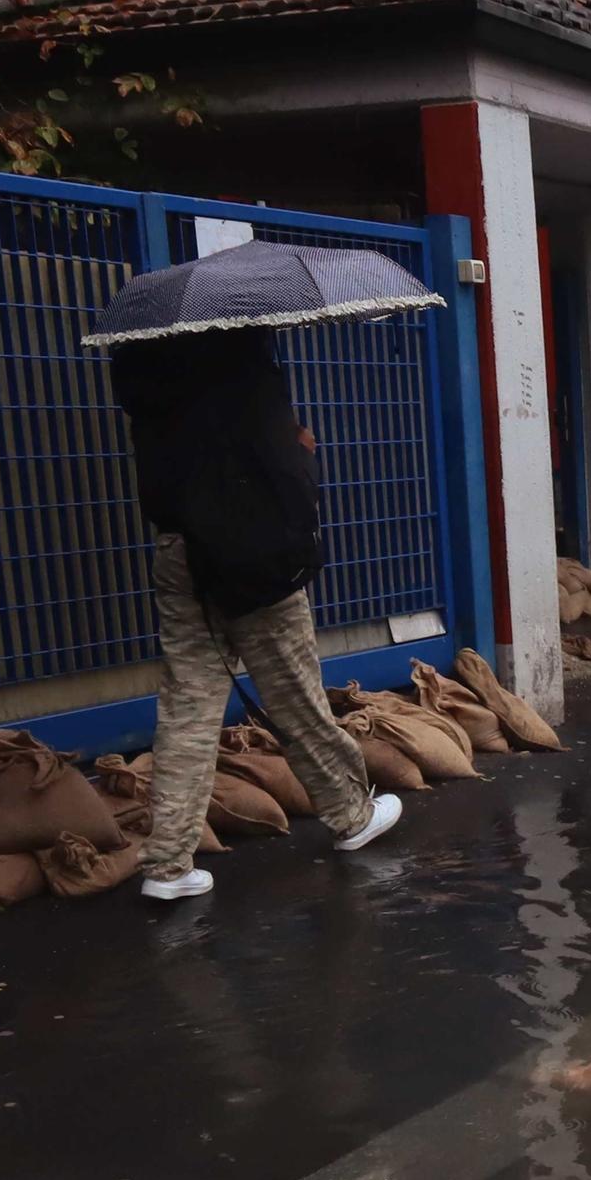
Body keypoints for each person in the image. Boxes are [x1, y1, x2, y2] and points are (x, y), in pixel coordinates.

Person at [104, 324, 400, 899]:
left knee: (189, 707)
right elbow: (277, 469)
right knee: (295, 697)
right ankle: (350, 816)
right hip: (253, 554)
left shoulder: (145, 371)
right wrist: (303, 455)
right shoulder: (242, 364)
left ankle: (167, 865)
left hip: (180, 551)